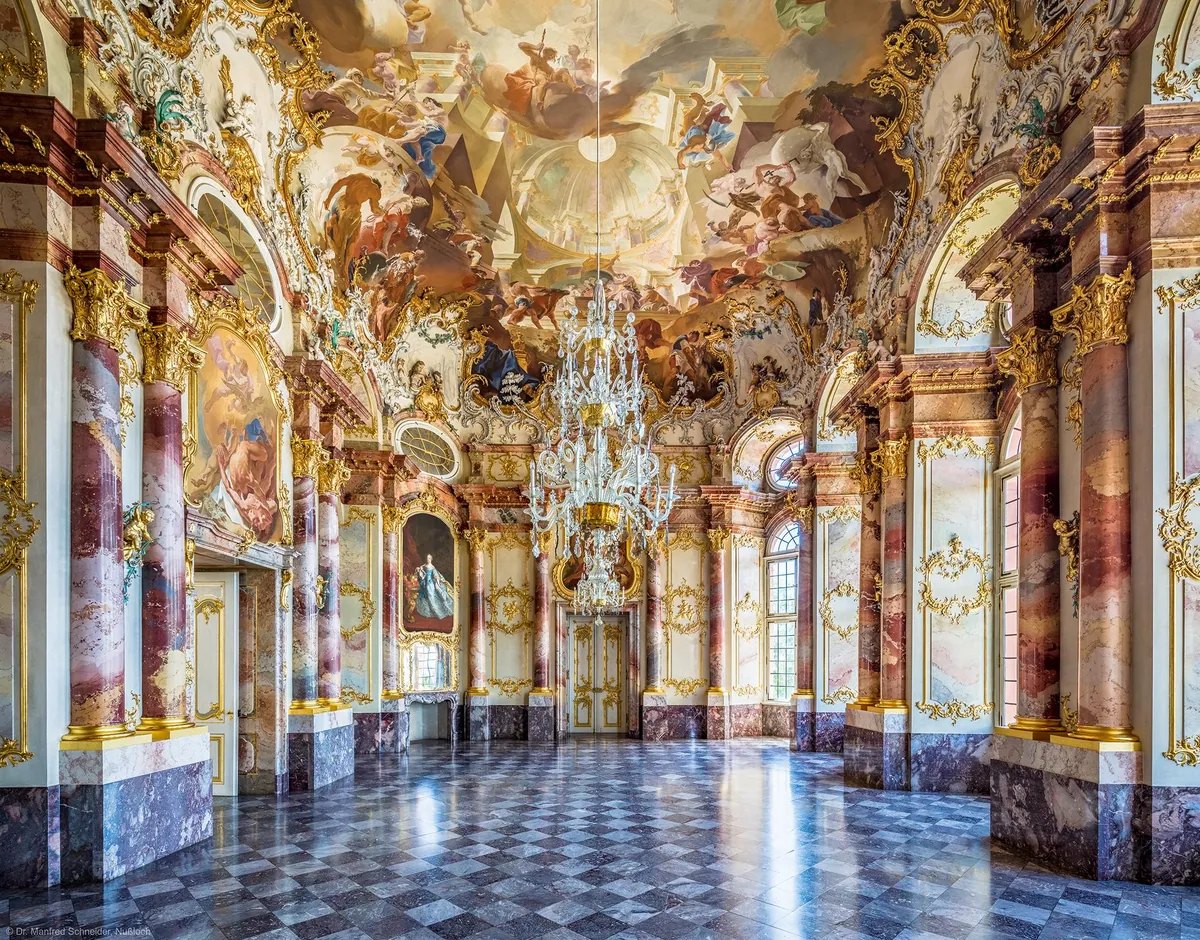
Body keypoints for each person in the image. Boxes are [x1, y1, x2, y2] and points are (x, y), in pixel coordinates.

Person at [414, 553, 455, 620]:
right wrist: (419, 569)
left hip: (430, 582)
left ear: (431, 559)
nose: (428, 559)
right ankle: (428, 609)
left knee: (431, 592)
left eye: (429, 558)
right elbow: (420, 572)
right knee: (423, 592)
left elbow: (436, 575)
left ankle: (436, 611)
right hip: (424, 581)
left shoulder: (432, 567)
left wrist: (438, 583)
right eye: (427, 558)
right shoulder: (424, 566)